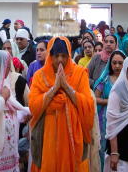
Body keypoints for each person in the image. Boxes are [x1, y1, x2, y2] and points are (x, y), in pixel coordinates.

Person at [29, 37, 96, 172]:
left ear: (69, 55)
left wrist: (66, 87)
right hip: (47, 135)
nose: (60, 60)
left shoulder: (79, 73)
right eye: (56, 56)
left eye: (64, 56)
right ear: (50, 56)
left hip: (72, 138)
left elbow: (88, 104)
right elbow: (33, 106)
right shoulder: (39, 76)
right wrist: (54, 88)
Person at [95, 50, 126, 167]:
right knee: (104, 148)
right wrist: (110, 102)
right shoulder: (105, 79)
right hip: (105, 120)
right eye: (114, 63)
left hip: (124, 120)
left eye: (120, 63)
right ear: (110, 64)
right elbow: (95, 98)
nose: (117, 66)